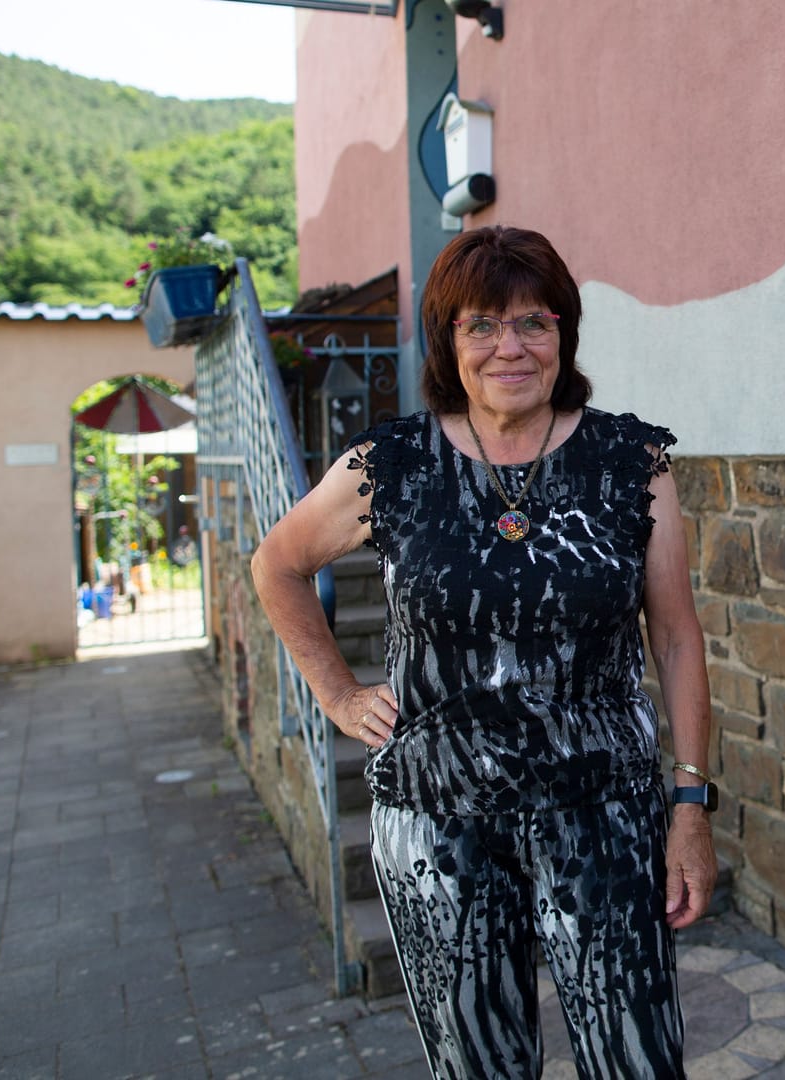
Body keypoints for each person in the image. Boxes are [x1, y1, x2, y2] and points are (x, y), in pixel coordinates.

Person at [251, 225, 718, 1079]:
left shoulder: (629, 463)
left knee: (637, 1060)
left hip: (602, 812)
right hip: (438, 817)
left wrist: (689, 806)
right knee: (477, 1065)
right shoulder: (390, 467)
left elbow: (679, 637)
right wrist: (338, 693)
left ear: (563, 335)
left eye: (534, 322)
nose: (512, 346)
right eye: (482, 326)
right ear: (448, 341)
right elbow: (277, 564)